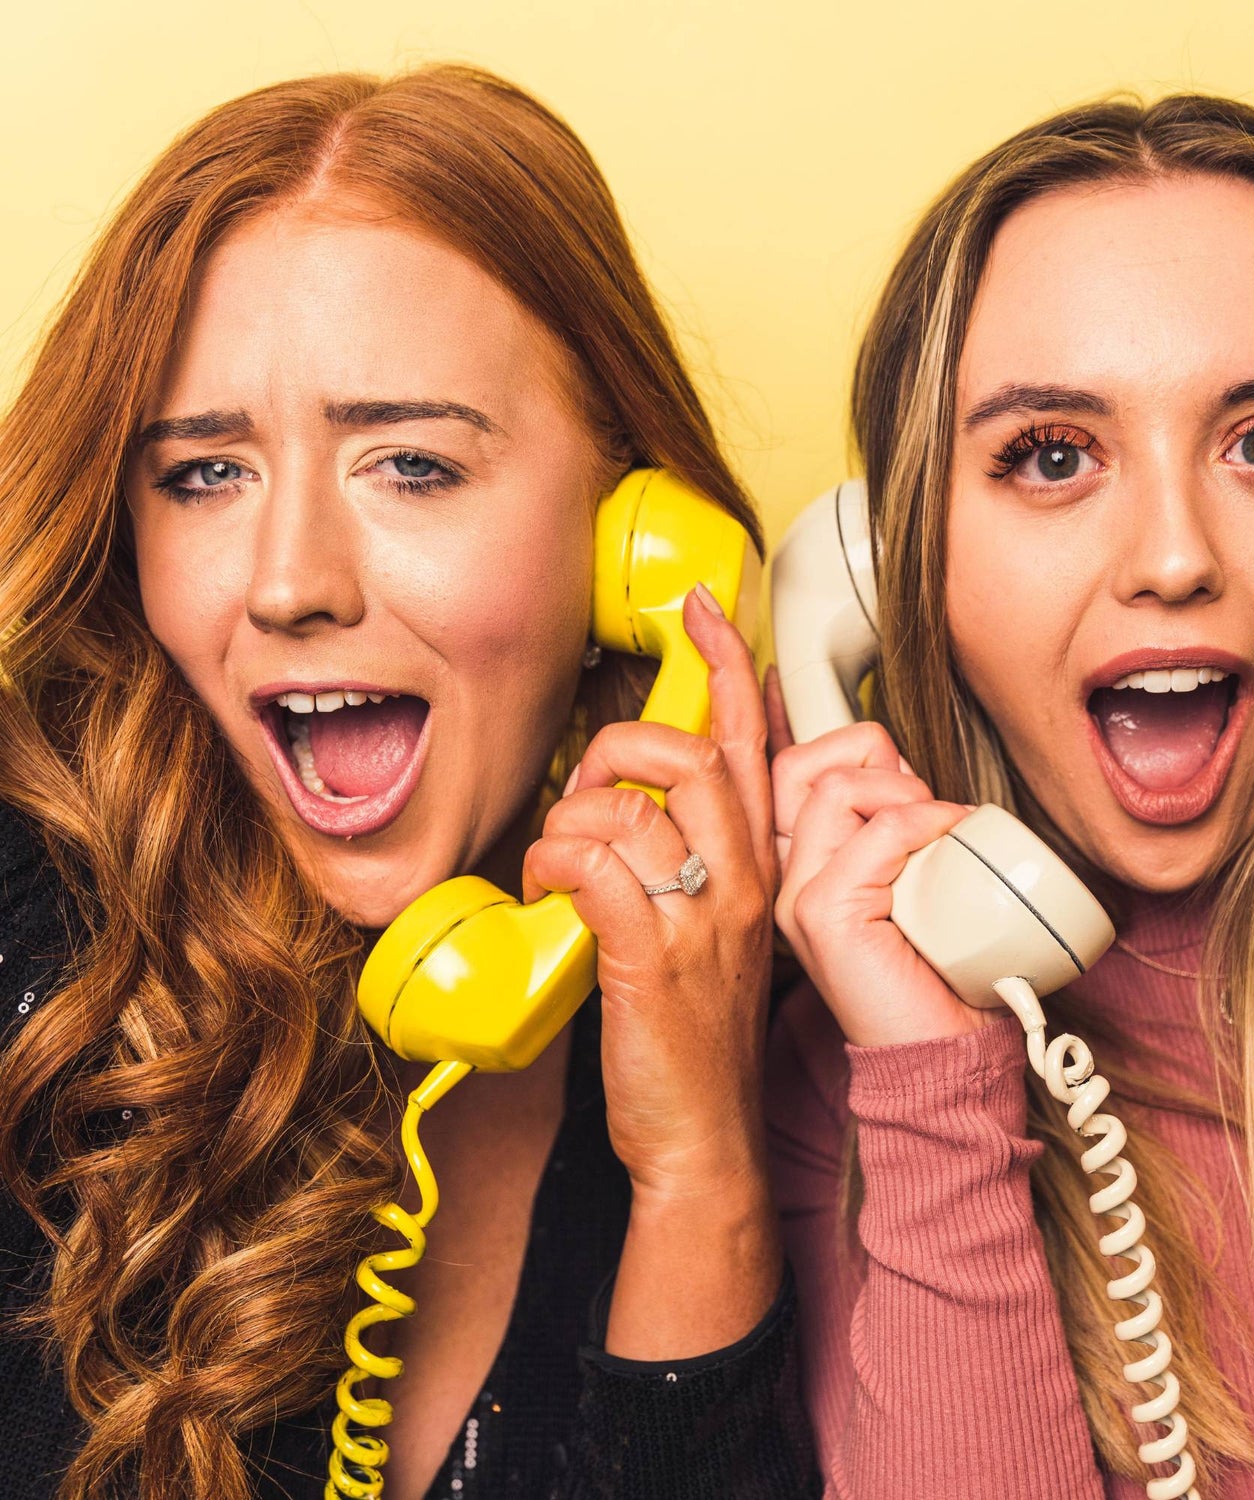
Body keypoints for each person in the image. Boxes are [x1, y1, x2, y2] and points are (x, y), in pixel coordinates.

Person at [0, 66, 817, 1500]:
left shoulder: (813, 990)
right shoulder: (35, 944)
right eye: (203, 476)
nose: (291, 583)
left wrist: (699, 1180)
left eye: (413, 464)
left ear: (630, 530)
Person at [767, 93, 1254, 1499]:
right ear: (899, 562)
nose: (1172, 557)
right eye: (1052, 456)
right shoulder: (840, 1078)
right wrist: (936, 1084)